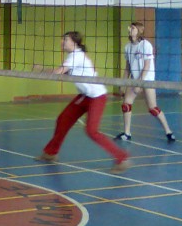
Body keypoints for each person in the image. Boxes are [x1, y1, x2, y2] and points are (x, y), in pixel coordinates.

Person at [35, 31, 130, 173]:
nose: (62, 42)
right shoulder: (73, 57)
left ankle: (122, 159)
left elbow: (57, 73)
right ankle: (50, 153)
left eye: (65, 40)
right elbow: (63, 72)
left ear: (74, 43)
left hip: (97, 97)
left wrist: (40, 69)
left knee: (91, 131)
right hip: (85, 96)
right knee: (63, 120)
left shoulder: (76, 56)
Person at [114, 22, 176, 143]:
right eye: (130, 28)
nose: (130, 29)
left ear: (139, 31)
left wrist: (140, 83)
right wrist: (122, 84)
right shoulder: (128, 47)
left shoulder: (145, 45)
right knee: (126, 104)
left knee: (153, 108)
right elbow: (127, 68)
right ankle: (127, 133)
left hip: (147, 80)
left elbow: (147, 66)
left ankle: (168, 131)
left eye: (133, 28)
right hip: (135, 79)